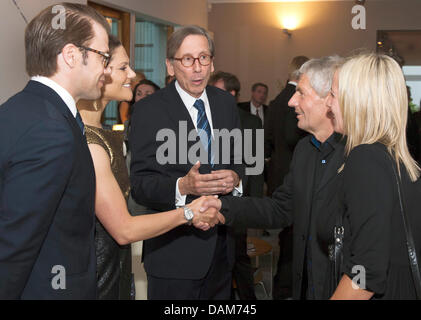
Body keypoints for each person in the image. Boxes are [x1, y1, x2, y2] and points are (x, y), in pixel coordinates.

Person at [77, 35, 219, 299]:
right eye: (123, 68)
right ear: (101, 72)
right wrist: (189, 212)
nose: (132, 74)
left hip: (112, 269)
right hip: (95, 275)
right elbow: (124, 230)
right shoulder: (89, 142)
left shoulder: (99, 132)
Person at [199, 56, 346, 300]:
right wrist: (222, 206)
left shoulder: (358, 156)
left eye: (300, 93)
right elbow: (281, 208)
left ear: (328, 99)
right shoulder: (305, 150)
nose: (291, 101)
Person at [0, 3, 111, 299]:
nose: (106, 68)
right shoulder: (50, 129)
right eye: (103, 56)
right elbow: (16, 244)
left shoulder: (18, 109)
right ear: (72, 55)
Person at [129, 25, 245, 300]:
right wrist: (183, 186)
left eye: (203, 58)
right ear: (170, 66)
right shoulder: (149, 109)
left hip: (222, 247)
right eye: (187, 59)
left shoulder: (226, 104)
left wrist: (237, 180)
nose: (197, 68)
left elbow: (241, 161)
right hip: (174, 253)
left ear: (212, 63)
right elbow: (141, 185)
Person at [326, 53, 421, 299]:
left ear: (357, 101)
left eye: (333, 95)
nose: (328, 103)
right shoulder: (394, 159)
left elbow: (365, 273)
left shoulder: (365, 159)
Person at [209, 71, 264, 300]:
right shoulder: (202, 118)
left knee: (239, 257)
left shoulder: (251, 121)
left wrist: (254, 206)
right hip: (206, 201)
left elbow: (255, 167)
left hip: (238, 201)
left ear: (232, 94)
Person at [265, 55, 309, 300]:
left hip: (278, 172)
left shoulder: (275, 100)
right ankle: (287, 286)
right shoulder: (294, 101)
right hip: (295, 171)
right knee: (294, 234)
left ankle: (283, 285)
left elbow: (268, 138)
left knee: (288, 233)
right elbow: (294, 137)